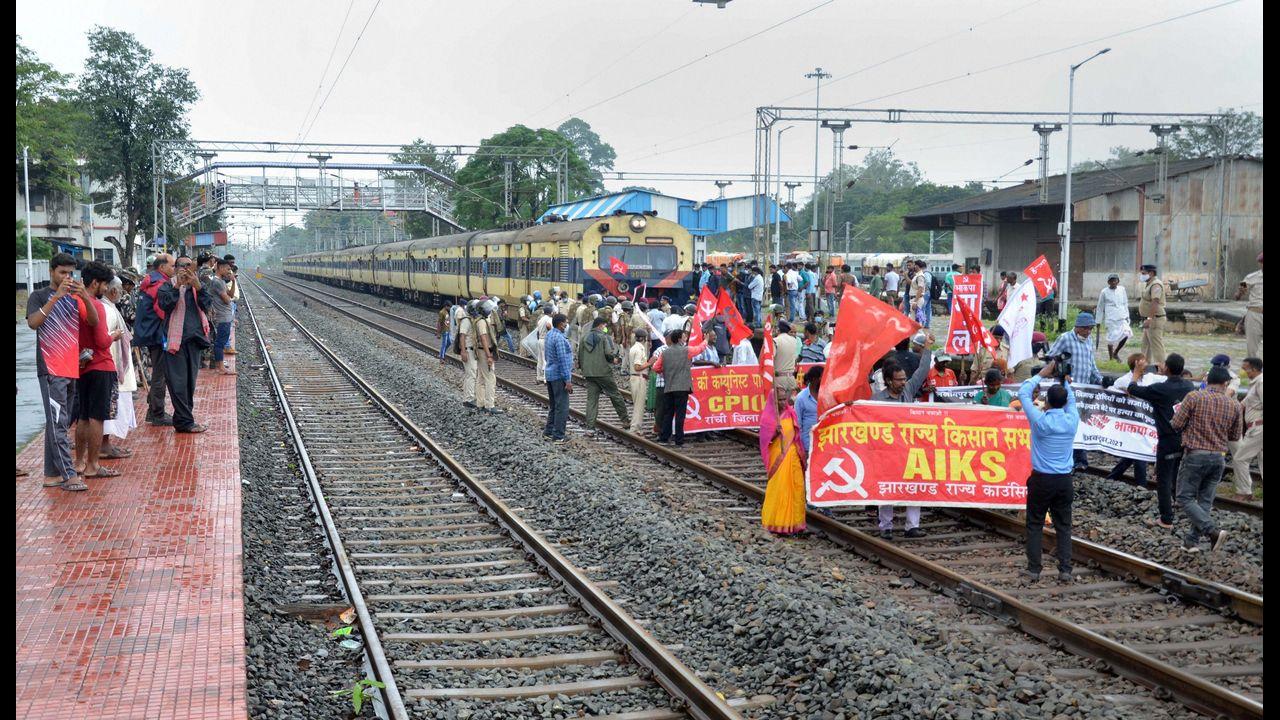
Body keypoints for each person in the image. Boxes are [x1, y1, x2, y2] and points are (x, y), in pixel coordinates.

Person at [27, 254, 100, 491]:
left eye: (70, 273)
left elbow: (93, 320)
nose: (67, 277)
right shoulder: (38, 296)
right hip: (50, 369)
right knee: (58, 423)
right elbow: (33, 323)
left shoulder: (75, 297)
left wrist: (85, 298)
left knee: (59, 422)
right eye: (62, 273)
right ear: (51, 272)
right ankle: (69, 475)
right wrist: (55, 299)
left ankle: (51, 474)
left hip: (71, 368)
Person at [1018, 360, 1080, 582]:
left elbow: (1023, 393)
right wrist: (1064, 381)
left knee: (1034, 524)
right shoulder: (1072, 420)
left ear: (1046, 401)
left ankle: (1034, 569)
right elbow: (1071, 400)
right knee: (1064, 526)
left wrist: (1042, 374)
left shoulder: (1040, 421)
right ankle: (1065, 570)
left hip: (1042, 479)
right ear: (1063, 403)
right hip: (1064, 480)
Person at [1171, 366, 1242, 553]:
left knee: (1184, 497)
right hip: (1219, 457)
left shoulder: (1194, 397)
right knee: (1204, 501)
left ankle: (1212, 531)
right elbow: (1235, 436)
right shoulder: (1234, 404)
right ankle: (1190, 542)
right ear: (1225, 383)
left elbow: (1176, 423)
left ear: (1207, 379)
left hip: (1195, 454)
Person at [870, 334, 933, 538]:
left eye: (905, 378)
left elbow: (922, 371)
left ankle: (912, 526)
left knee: (915, 484)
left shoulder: (908, 390)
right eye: (899, 380)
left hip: (910, 449)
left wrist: (928, 348)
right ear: (888, 381)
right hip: (887, 451)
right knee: (886, 487)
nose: (904, 382)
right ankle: (886, 526)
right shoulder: (877, 400)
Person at [1127, 353, 1196, 529]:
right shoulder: (1189, 385)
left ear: (1167, 368)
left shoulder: (1160, 389)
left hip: (1167, 439)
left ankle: (1166, 519)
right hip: (1185, 438)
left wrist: (1136, 373)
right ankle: (1176, 502)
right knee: (1176, 473)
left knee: (1163, 479)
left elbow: (1132, 389)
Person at [71, 262, 119, 480]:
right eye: (104, 284)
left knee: (82, 417)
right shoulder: (96, 306)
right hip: (101, 365)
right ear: (94, 283)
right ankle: (93, 465)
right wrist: (114, 336)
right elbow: (101, 341)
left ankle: (79, 462)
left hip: (82, 366)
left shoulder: (73, 302)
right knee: (97, 417)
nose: (106, 288)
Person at [157, 255, 213, 433]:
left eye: (190, 266)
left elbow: (207, 306)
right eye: (183, 266)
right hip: (175, 342)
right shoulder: (167, 286)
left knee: (190, 383)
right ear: (175, 269)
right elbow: (165, 305)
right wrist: (176, 286)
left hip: (195, 341)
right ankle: (184, 421)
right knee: (178, 383)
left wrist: (199, 287)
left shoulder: (198, 287)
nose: (187, 270)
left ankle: (184, 419)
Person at [1047, 312, 1103, 471]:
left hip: (1083, 391)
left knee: (1080, 425)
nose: (1089, 332)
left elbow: (1091, 365)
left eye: (1091, 329)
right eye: (1086, 329)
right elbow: (1051, 358)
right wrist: (1062, 372)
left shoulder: (1089, 341)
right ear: (1078, 327)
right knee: (1069, 425)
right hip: (1067, 391)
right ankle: (1069, 459)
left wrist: (1101, 380)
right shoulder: (1065, 338)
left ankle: (1080, 459)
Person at [759, 387, 807, 536]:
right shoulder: (768, 417)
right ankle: (778, 523)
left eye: (783, 399)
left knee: (796, 487)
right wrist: (774, 433)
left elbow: (796, 434)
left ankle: (796, 524)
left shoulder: (791, 413)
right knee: (780, 487)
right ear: (772, 401)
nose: (782, 402)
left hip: (792, 455)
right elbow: (764, 441)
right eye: (778, 400)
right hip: (778, 457)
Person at [135, 252, 174, 425]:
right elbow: (163, 311)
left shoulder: (149, 280)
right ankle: (158, 414)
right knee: (161, 375)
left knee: (159, 373)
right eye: (172, 266)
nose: (174, 269)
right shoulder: (160, 285)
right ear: (162, 267)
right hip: (158, 334)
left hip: (147, 332)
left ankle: (153, 411)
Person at [100, 277, 137, 461]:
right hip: (111, 366)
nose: (122, 293)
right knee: (109, 407)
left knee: (115, 406)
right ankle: (103, 446)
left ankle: (107, 444)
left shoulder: (109, 307)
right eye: (121, 290)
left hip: (115, 366)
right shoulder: (106, 309)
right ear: (114, 292)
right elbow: (105, 338)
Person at [652, 328, 705, 447]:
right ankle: (679, 441)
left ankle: (664, 438)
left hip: (669, 386)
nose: (685, 338)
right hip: (682, 387)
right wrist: (705, 340)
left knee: (668, 413)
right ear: (680, 339)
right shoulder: (686, 350)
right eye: (684, 336)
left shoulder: (664, 352)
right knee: (680, 415)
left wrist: (666, 371)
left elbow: (655, 368)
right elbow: (699, 349)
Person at [579, 318, 628, 430]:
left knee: (592, 400)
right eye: (604, 325)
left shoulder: (584, 337)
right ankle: (625, 420)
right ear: (600, 325)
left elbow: (580, 355)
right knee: (615, 395)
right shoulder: (603, 337)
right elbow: (608, 354)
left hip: (589, 373)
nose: (605, 327)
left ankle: (590, 428)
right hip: (603, 372)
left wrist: (584, 369)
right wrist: (613, 359)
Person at [1230, 357, 1263, 501]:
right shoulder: (1254, 383)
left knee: (1240, 458)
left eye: (1246, 369)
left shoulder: (1261, 383)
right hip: (1255, 427)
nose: (1243, 371)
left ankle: (1243, 492)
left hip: (1258, 428)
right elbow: (1242, 404)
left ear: (1254, 369)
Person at [543, 313, 574, 442]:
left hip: (550, 374)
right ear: (561, 324)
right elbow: (562, 360)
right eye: (565, 322)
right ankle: (559, 436)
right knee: (562, 407)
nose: (567, 324)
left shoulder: (549, 334)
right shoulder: (560, 339)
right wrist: (568, 380)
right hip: (559, 376)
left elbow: (547, 355)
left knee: (554, 405)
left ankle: (548, 432)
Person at [206, 259, 236, 375]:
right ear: (221, 268)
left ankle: (220, 365)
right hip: (222, 316)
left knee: (222, 341)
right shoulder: (217, 282)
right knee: (220, 342)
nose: (229, 271)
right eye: (228, 269)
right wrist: (230, 299)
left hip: (226, 316)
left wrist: (233, 281)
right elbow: (227, 299)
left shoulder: (222, 281)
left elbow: (231, 294)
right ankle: (220, 367)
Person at [1097, 274, 1131, 362]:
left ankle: (1116, 353)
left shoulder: (1122, 289)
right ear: (1108, 282)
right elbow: (1100, 307)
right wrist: (1098, 321)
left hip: (1122, 316)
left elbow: (1125, 303)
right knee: (1111, 339)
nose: (1113, 282)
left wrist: (1127, 316)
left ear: (1118, 281)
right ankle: (1111, 359)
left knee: (1126, 333)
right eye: (1111, 281)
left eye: (1115, 280)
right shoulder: (1104, 292)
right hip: (1110, 318)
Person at [473, 299, 500, 414]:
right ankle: (490, 405)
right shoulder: (482, 322)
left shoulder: (479, 320)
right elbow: (484, 339)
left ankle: (480, 403)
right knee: (490, 378)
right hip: (485, 352)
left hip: (480, 351)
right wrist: (489, 355)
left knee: (481, 379)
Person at [1235, 252, 1263, 359]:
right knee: (1252, 348)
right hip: (1255, 314)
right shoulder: (1251, 277)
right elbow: (1238, 294)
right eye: (1261, 263)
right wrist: (1240, 292)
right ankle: (1254, 372)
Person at [1138, 264, 1167, 366]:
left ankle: (1162, 368)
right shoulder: (1149, 284)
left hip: (1155, 319)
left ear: (1151, 273)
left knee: (1156, 346)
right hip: (1149, 319)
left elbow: (1155, 301)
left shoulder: (1156, 285)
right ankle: (1144, 367)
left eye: (1144, 273)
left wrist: (1150, 318)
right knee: (1145, 346)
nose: (1142, 276)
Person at [627, 329, 650, 433]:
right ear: (644, 339)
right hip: (639, 378)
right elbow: (637, 366)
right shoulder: (639, 350)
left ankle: (635, 426)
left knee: (637, 403)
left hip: (635, 378)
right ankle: (635, 428)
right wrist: (650, 363)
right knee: (639, 405)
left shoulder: (633, 348)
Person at [793, 365, 822, 452]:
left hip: (824, 441)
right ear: (814, 379)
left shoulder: (825, 394)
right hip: (808, 444)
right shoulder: (801, 398)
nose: (824, 381)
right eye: (821, 378)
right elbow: (798, 424)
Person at [773, 320, 801, 395]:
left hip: (779, 379)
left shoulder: (775, 341)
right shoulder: (794, 340)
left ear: (778, 330)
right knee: (790, 406)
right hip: (791, 378)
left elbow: (771, 359)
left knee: (779, 404)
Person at [533, 304, 554, 382]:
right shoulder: (549, 319)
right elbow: (549, 326)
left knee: (540, 359)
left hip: (540, 339)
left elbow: (538, 331)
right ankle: (546, 379)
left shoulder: (541, 319)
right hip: (546, 340)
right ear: (550, 312)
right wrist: (551, 332)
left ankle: (539, 377)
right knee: (546, 359)